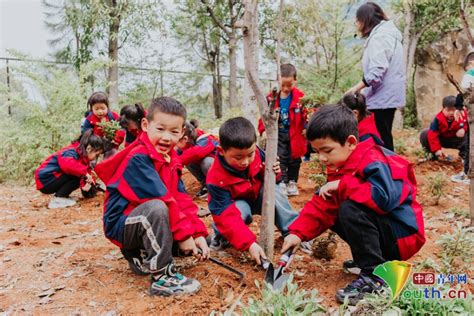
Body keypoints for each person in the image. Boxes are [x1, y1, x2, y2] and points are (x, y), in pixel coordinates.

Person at [281, 105, 425, 305]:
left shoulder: (374, 160)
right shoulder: (342, 164)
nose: (322, 158)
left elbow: (383, 199)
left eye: (327, 151)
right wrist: (297, 233)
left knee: (349, 208)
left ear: (350, 142)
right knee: (338, 208)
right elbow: (323, 206)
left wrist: (342, 185)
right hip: (387, 233)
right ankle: (372, 260)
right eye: (316, 152)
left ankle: (376, 277)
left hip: (402, 235)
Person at [95, 96, 210, 296]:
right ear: (146, 125)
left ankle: (140, 254)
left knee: (189, 233)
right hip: (122, 223)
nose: (167, 137)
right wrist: (183, 235)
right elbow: (164, 198)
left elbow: (181, 198)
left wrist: (197, 233)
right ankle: (162, 277)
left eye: (174, 132)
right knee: (157, 208)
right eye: (160, 129)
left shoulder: (171, 158)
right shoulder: (138, 158)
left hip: (143, 219)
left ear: (182, 132)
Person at [207, 117, 311, 263]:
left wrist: (274, 171)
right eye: (238, 157)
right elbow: (225, 214)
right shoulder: (215, 178)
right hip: (236, 203)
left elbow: (275, 180)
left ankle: (293, 231)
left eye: (250, 155)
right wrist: (249, 244)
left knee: (274, 193)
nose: (245, 161)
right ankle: (221, 237)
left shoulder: (258, 153)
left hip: (258, 195)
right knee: (239, 214)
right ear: (221, 151)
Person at [346, 2, 405, 151]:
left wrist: (356, 89)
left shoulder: (379, 37)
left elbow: (377, 71)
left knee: (381, 140)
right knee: (384, 136)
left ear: (365, 20)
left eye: (357, 20)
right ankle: (389, 170)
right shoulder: (390, 35)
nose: (357, 24)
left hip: (382, 98)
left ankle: (389, 171)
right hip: (389, 96)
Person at [258, 63, 307, 196]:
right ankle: (283, 182)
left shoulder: (300, 97)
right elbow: (264, 116)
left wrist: (307, 128)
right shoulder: (271, 98)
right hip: (278, 134)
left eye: (289, 85)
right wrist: (263, 130)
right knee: (280, 158)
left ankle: (292, 181)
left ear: (295, 81)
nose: (285, 88)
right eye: (282, 85)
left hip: (295, 134)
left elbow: (307, 114)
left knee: (295, 159)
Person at [35, 130, 104, 209]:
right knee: (77, 174)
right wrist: (85, 174)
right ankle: (58, 199)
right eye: (97, 154)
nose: (96, 158)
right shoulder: (71, 151)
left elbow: (84, 176)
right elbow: (68, 165)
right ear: (89, 148)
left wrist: (89, 186)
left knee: (79, 175)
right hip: (45, 179)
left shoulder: (82, 157)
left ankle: (62, 196)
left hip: (50, 179)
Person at [176, 122, 219, 198]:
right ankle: (206, 185)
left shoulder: (206, 139)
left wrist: (171, 162)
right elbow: (178, 153)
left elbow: (196, 153)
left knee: (206, 162)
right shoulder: (190, 139)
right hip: (209, 169)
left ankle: (217, 187)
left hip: (221, 170)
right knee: (190, 161)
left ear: (185, 137)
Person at [419, 96, 467, 163]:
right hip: (443, 139)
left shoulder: (462, 115)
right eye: (448, 110)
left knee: (468, 136)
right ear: (443, 109)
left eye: (453, 110)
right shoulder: (438, 119)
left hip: (457, 140)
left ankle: (466, 157)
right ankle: (433, 155)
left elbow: (469, 125)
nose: (451, 113)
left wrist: (464, 129)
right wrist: (436, 149)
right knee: (425, 134)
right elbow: (433, 134)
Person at [451, 51, 474, 184]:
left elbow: (463, 90)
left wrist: (458, 106)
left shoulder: (470, 74)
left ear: (471, 63)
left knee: (470, 143)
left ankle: (467, 174)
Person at [81, 91, 125, 156]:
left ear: (107, 107)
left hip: (110, 146)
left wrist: (116, 140)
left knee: (112, 159)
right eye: (96, 109)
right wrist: (93, 140)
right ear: (92, 109)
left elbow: (122, 129)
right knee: (91, 161)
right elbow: (85, 133)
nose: (100, 111)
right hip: (94, 146)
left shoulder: (113, 116)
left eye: (102, 108)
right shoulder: (89, 119)